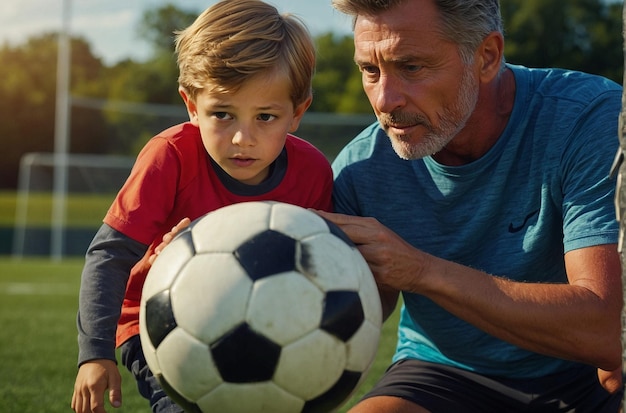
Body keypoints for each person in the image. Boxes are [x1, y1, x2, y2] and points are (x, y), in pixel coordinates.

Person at [313, 0, 625, 412]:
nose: (385, 99)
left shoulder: (587, 119)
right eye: (370, 70)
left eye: (411, 67)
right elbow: (333, 314)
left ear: (487, 56)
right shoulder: (359, 171)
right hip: (441, 373)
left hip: (585, 376)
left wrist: (421, 271)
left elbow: (607, 332)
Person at [69, 1, 333, 412]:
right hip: (157, 322)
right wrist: (94, 351)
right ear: (192, 105)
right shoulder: (170, 156)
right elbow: (111, 253)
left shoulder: (313, 172)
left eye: (265, 116)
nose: (242, 138)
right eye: (222, 114)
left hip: (265, 321)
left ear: (297, 112)